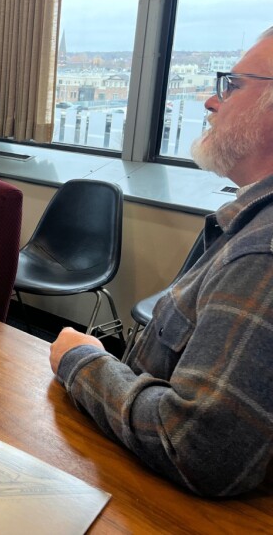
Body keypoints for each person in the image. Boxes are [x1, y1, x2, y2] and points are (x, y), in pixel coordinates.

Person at [49, 27, 273, 497]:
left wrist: (82, 361)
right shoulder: (248, 220)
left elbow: (194, 446)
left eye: (232, 86)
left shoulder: (262, 252)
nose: (211, 103)